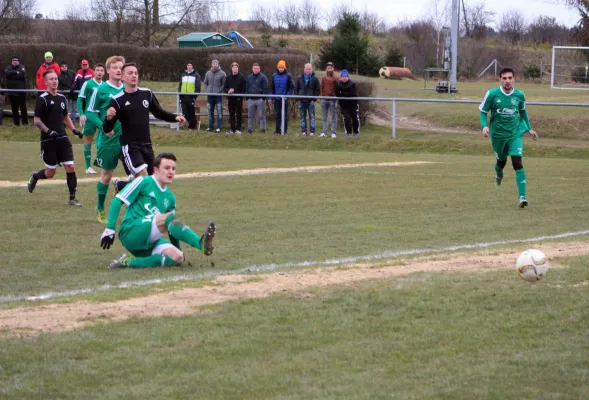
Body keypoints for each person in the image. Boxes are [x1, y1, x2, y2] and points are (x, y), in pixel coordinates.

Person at [100, 152, 216, 269]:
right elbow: (117, 200)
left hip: (150, 239)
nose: (171, 171)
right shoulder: (143, 181)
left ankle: (128, 262)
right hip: (130, 231)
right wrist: (110, 229)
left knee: (178, 257)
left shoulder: (170, 198)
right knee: (168, 217)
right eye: (166, 168)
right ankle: (200, 244)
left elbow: (172, 228)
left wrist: (177, 249)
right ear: (156, 170)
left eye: (173, 168)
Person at [103, 63, 186, 185]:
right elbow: (107, 128)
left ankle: (121, 186)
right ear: (122, 78)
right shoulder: (117, 100)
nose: (134, 76)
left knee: (152, 181)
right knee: (144, 176)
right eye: (130, 73)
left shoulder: (146, 93)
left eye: (136, 73)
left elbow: (159, 113)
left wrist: (175, 117)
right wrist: (109, 118)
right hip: (130, 146)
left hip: (146, 144)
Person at [479, 67, 538, 208]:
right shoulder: (492, 94)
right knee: (501, 162)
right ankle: (499, 175)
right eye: (504, 78)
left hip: (514, 134)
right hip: (498, 135)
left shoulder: (519, 95)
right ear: (500, 79)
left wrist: (529, 129)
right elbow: (483, 111)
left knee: (517, 162)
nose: (507, 81)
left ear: (514, 79)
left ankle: (522, 197)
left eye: (509, 78)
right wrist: (484, 126)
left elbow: (523, 113)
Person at [26, 69, 83, 206]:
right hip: (48, 140)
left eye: (55, 79)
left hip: (62, 139)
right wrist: (48, 131)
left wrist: (74, 130)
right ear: (45, 82)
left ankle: (72, 198)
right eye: (51, 79)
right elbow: (37, 120)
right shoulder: (42, 99)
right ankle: (35, 176)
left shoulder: (62, 98)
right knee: (51, 172)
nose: (54, 81)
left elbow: (65, 116)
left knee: (70, 167)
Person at [93, 55, 126, 224]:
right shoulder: (101, 90)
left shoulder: (128, 88)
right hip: (108, 141)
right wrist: (104, 127)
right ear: (108, 71)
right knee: (106, 175)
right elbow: (91, 112)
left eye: (121, 67)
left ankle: (122, 188)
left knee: (139, 174)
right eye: (115, 67)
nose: (119, 70)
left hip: (127, 138)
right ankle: (100, 208)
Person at [77, 63, 105, 174]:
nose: (99, 72)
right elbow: (80, 99)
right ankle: (88, 167)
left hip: (102, 116)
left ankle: (101, 162)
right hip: (90, 115)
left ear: (104, 72)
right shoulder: (87, 84)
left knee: (104, 137)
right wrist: (82, 114)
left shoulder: (105, 86)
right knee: (88, 140)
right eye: (97, 70)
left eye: (101, 70)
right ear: (94, 72)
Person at [294, 63, 320, 136]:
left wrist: (314, 99)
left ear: (311, 69)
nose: (308, 70)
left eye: (309, 69)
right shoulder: (299, 78)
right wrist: (297, 99)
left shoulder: (315, 78)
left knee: (312, 117)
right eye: (306, 69)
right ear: (304, 69)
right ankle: (304, 131)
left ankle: (312, 132)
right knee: (302, 117)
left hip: (311, 101)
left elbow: (317, 90)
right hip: (301, 101)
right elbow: (296, 89)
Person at [270, 60, 294, 135]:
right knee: (277, 115)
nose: (281, 69)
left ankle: (284, 131)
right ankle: (277, 130)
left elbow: (292, 87)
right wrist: (271, 97)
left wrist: (287, 95)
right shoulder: (274, 75)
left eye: (282, 67)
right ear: (277, 67)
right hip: (276, 98)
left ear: (284, 68)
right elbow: (272, 88)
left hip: (284, 99)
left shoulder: (288, 76)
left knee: (284, 115)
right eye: (279, 67)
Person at [4, 56, 28, 126]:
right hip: (11, 92)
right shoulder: (8, 68)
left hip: (21, 92)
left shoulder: (22, 67)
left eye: (16, 61)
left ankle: (25, 123)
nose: (15, 62)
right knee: (14, 108)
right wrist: (15, 72)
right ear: (11, 62)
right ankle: (16, 123)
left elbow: (22, 75)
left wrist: (12, 75)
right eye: (13, 61)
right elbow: (7, 75)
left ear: (18, 62)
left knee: (23, 108)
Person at [246, 63, 269, 134]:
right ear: (252, 69)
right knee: (250, 116)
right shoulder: (249, 77)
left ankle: (262, 130)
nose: (255, 70)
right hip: (251, 100)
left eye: (257, 68)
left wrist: (263, 98)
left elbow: (266, 88)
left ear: (259, 69)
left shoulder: (263, 77)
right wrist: (247, 98)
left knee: (261, 116)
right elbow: (246, 87)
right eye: (254, 68)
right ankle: (249, 130)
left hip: (260, 100)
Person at [203, 59, 226, 133]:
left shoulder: (222, 73)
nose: (215, 65)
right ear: (211, 65)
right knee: (210, 112)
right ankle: (210, 126)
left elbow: (224, 84)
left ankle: (219, 127)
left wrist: (219, 90)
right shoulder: (208, 73)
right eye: (213, 64)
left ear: (218, 65)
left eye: (216, 64)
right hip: (210, 95)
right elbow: (205, 83)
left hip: (218, 95)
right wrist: (207, 90)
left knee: (219, 112)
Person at [223, 61, 246, 134]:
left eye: (236, 67)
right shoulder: (228, 77)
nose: (235, 69)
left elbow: (244, 89)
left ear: (238, 68)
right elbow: (225, 87)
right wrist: (228, 91)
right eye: (233, 67)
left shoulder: (242, 77)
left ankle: (238, 129)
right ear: (231, 68)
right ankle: (232, 129)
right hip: (231, 99)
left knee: (239, 114)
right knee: (231, 114)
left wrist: (238, 94)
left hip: (238, 99)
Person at [336, 70, 360, 137]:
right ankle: (348, 133)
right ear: (341, 77)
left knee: (355, 118)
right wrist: (344, 94)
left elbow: (352, 93)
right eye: (343, 76)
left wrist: (342, 93)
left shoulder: (352, 84)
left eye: (345, 76)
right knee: (347, 118)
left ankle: (356, 133)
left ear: (348, 77)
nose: (344, 78)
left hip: (353, 105)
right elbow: (337, 94)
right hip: (344, 105)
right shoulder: (338, 84)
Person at [178, 62, 201, 130]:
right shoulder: (183, 74)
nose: (189, 66)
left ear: (192, 66)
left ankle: (192, 126)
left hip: (191, 96)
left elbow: (198, 87)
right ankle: (193, 123)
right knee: (185, 112)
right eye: (188, 65)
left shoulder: (196, 75)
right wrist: (179, 94)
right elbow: (180, 85)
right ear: (186, 66)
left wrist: (194, 97)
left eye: (190, 65)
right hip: (183, 96)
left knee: (191, 112)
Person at [320, 62, 338, 138]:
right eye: (328, 68)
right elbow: (321, 87)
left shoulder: (336, 77)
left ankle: (333, 132)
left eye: (330, 68)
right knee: (324, 117)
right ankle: (324, 132)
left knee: (333, 117)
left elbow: (337, 88)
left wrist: (334, 98)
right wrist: (321, 97)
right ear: (326, 69)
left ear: (333, 68)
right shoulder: (323, 77)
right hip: (324, 99)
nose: (329, 69)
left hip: (332, 100)